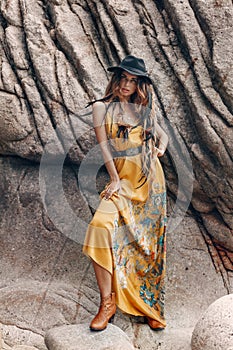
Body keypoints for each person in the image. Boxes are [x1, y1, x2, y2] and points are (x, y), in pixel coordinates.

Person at [83, 55, 168, 332]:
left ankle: (149, 307)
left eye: (133, 81)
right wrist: (115, 179)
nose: (126, 85)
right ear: (116, 78)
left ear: (139, 85)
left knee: (147, 246)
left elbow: (162, 135)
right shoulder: (101, 107)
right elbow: (104, 147)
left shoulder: (143, 110)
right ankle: (107, 303)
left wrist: (161, 148)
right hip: (122, 182)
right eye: (123, 78)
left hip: (150, 183)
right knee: (99, 227)